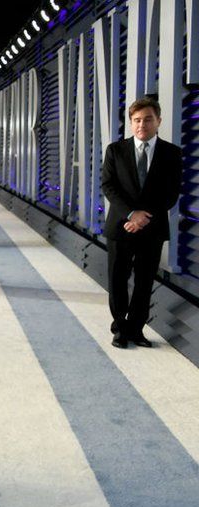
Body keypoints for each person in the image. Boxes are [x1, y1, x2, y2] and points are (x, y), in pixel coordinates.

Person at [101, 97, 182, 349]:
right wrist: (131, 214)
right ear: (131, 122)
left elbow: (171, 192)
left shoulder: (172, 153)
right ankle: (119, 328)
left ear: (158, 121)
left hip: (152, 228)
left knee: (145, 281)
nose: (141, 125)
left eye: (148, 119)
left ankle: (137, 330)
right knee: (117, 279)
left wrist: (143, 217)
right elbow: (109, 186)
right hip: (120, 226)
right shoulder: (115, 150)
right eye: (136, 120)